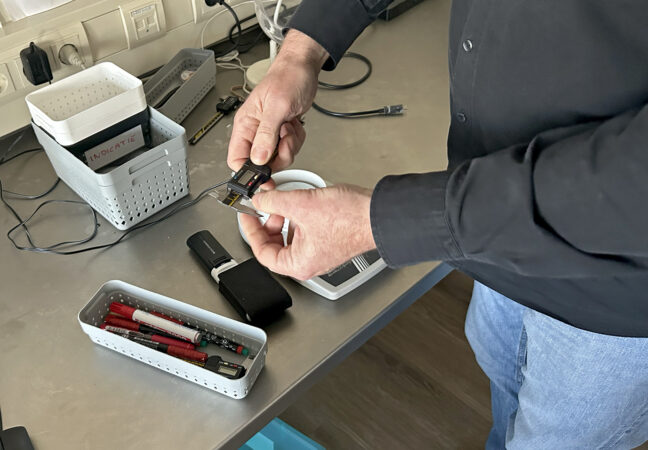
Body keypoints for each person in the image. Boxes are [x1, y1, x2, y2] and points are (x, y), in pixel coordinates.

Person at [227, 1, 648, 448]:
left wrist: (380, 221)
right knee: (507, 403)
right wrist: (300, 51)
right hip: (491, 236)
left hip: (613, 299)